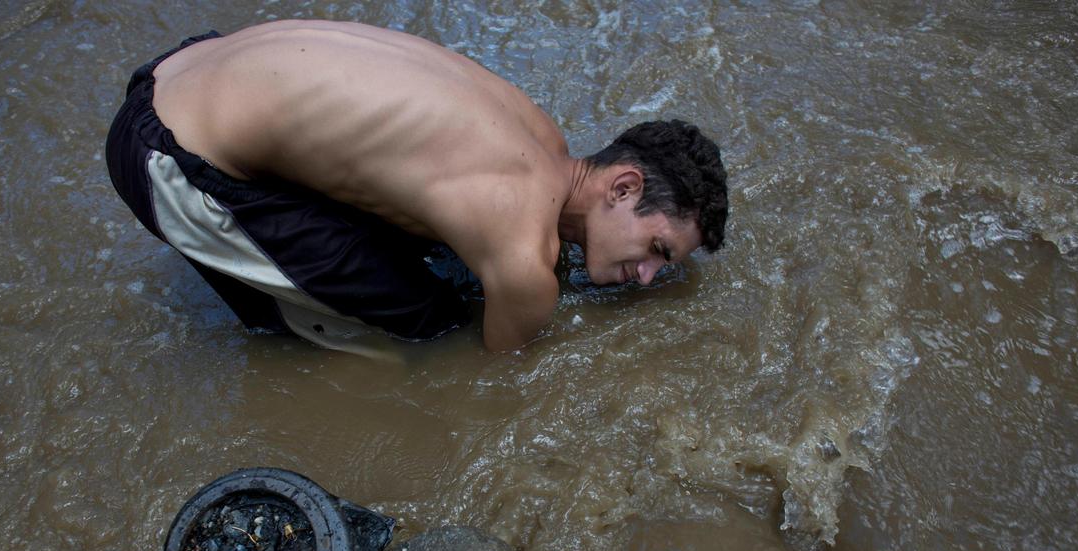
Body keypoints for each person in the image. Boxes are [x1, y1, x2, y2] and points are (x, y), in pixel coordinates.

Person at [106, 20, 728, 354]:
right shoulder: (522, 259)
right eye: (658, 249)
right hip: (168, 154)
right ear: (623, 186)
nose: (649, 275)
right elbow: (496, 385)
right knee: (428, 325)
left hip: (184, 66)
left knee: (424, 251)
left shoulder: (540, 136)